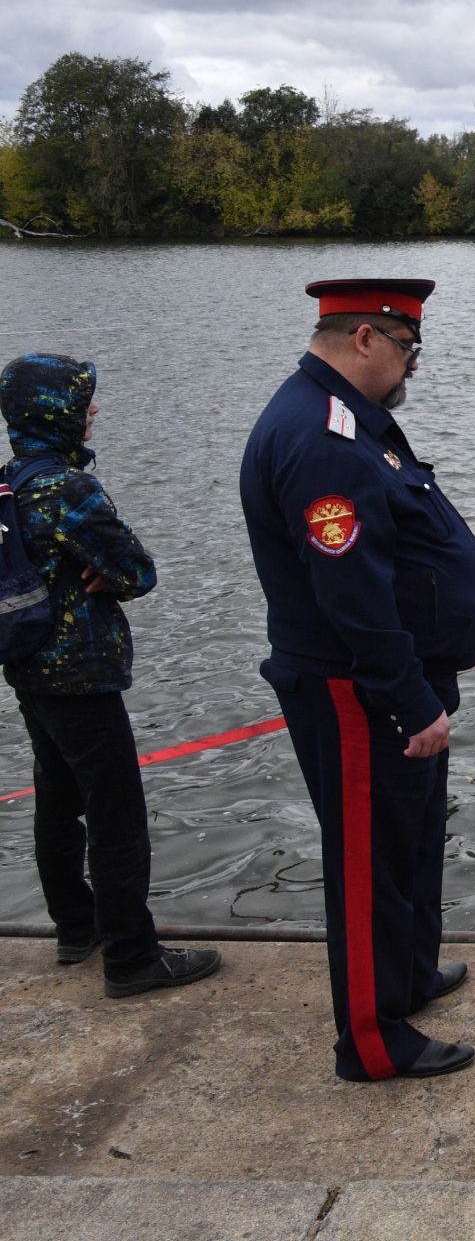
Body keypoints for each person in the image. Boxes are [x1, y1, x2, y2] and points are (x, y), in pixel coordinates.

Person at [239, 279, 475, 1081]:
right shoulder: (319, 439)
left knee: (411, 841)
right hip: (359, 688)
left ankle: (408, 978)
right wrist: (409, 696)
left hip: (394, 678)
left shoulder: (350, 424)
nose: (413, 365)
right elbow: (349, 591)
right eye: (408, 349)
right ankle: (373, 1041)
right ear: (364, 341)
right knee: (367, 860)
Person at [1, 354, 222, 997]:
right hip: (83, 677)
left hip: (28, 669)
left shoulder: (12, 482)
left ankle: (77, 927)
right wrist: (108, 572)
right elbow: (137, 572)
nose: (93, 409)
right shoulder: (70, 490)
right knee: (116, 814)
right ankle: (131, 955)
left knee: (57, 800)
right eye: (83, 400)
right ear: (57, 411)